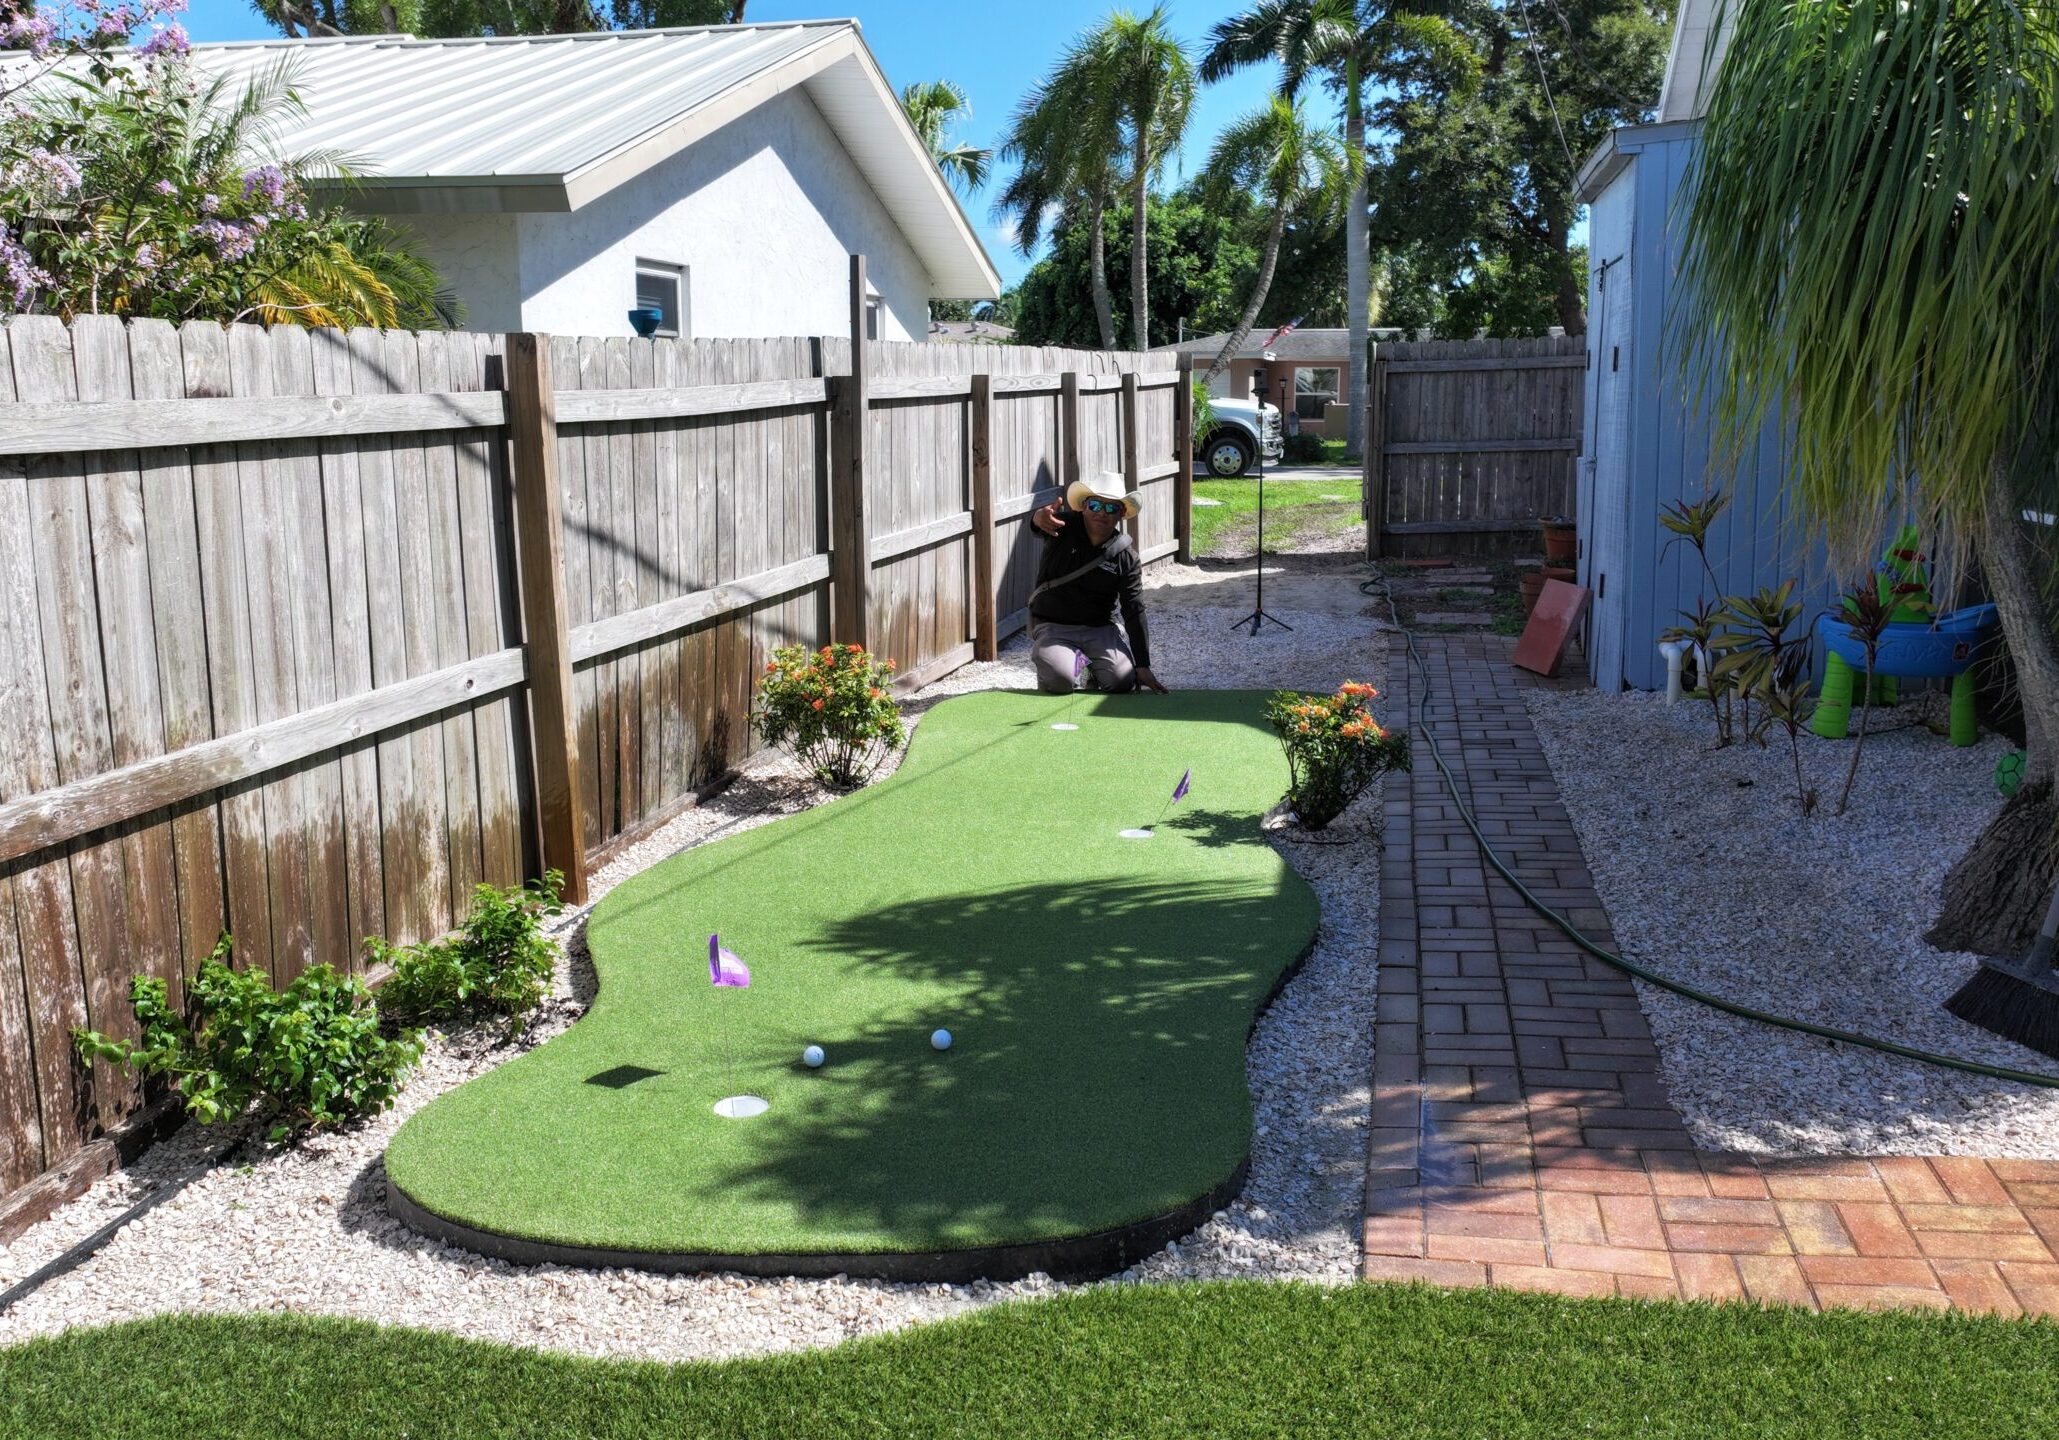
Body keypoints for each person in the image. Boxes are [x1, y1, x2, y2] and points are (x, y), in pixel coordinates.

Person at [1026, 472, 1167, 695]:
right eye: (1095, 505)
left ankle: (1092, 667)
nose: (1102, 512)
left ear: (1121, 514)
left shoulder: (1126, 556)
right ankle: (1070, 663)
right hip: (1053, 626)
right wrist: (1037, 518)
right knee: (1060, 681)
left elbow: (1134, 608)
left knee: (1121, 682)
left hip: (1100, 628)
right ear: (1084, 506)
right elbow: (1040, 524)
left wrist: (1143, 665)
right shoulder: (1062, 526)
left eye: (1111, 508)